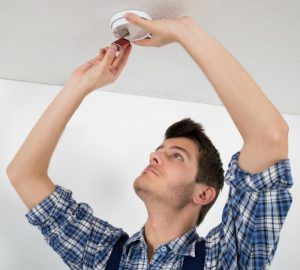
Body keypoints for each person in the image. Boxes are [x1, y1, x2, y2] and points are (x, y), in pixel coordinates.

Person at [6, 12, 293, 270]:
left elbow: (270, 135)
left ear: (204, 194)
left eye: (177, 155)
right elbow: (23, 175)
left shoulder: (224, 260)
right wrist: (79, 86)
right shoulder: (101, 254)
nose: (154, 157)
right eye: (159, 151)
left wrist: (186, 32)